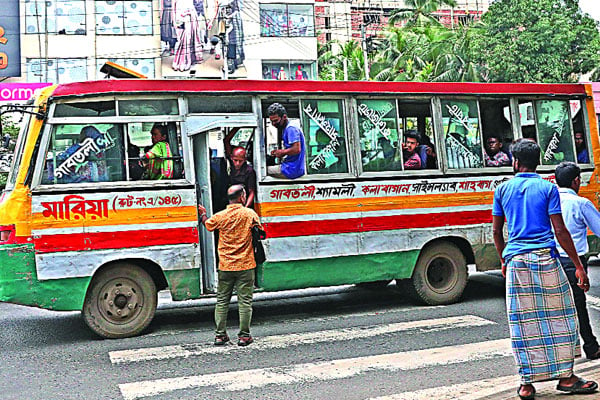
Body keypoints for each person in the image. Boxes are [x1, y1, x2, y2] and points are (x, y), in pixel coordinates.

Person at [492, 139, 597, 400]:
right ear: (538, 162)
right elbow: (559, 230)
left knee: (522, 323)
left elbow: (496, 231)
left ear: (515, 162)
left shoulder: (502, 190)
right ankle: (566, 377)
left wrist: (504, 260)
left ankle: (527, 383)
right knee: (563, 317)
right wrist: (577, 266)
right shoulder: (547, 188)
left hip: (516, 262)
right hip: (545, 260)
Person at [198, 184, 262, 347]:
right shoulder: (249, 214)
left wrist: (203, 215)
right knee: (245, 302)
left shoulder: (221, 216)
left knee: (222, 301)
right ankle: (244, 336)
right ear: (242, 197)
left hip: (225, 266)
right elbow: (260, 231)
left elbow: (208, 225)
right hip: (246, 265)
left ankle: (220, 335)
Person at [554, 162, 600, 360]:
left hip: (549, 259)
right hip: (573, 261)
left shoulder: (549, 201)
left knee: (556, 306)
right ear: (575, 181)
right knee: (578, 305)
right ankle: (590, 346)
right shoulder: (580, 203)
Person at [267, 103, 306, 179]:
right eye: (271, 121)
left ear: (284, 117)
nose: (273, 124)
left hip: (292, 169)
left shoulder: (291, 128)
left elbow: (296, 149)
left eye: (275, 121)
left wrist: (282, 152)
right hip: (291, 167)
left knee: (262, 171)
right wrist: (279, 152)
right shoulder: (286, 128)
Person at [223, 129, 256, 208]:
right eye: (235, 160)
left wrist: (245, 208)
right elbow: (226, 141)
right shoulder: (230, 163)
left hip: (242, 201)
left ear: (245, 160)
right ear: (231, 158)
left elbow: (251, 192)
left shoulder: (249, 171)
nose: (237, 163)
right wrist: (237, 127)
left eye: (240, 161)